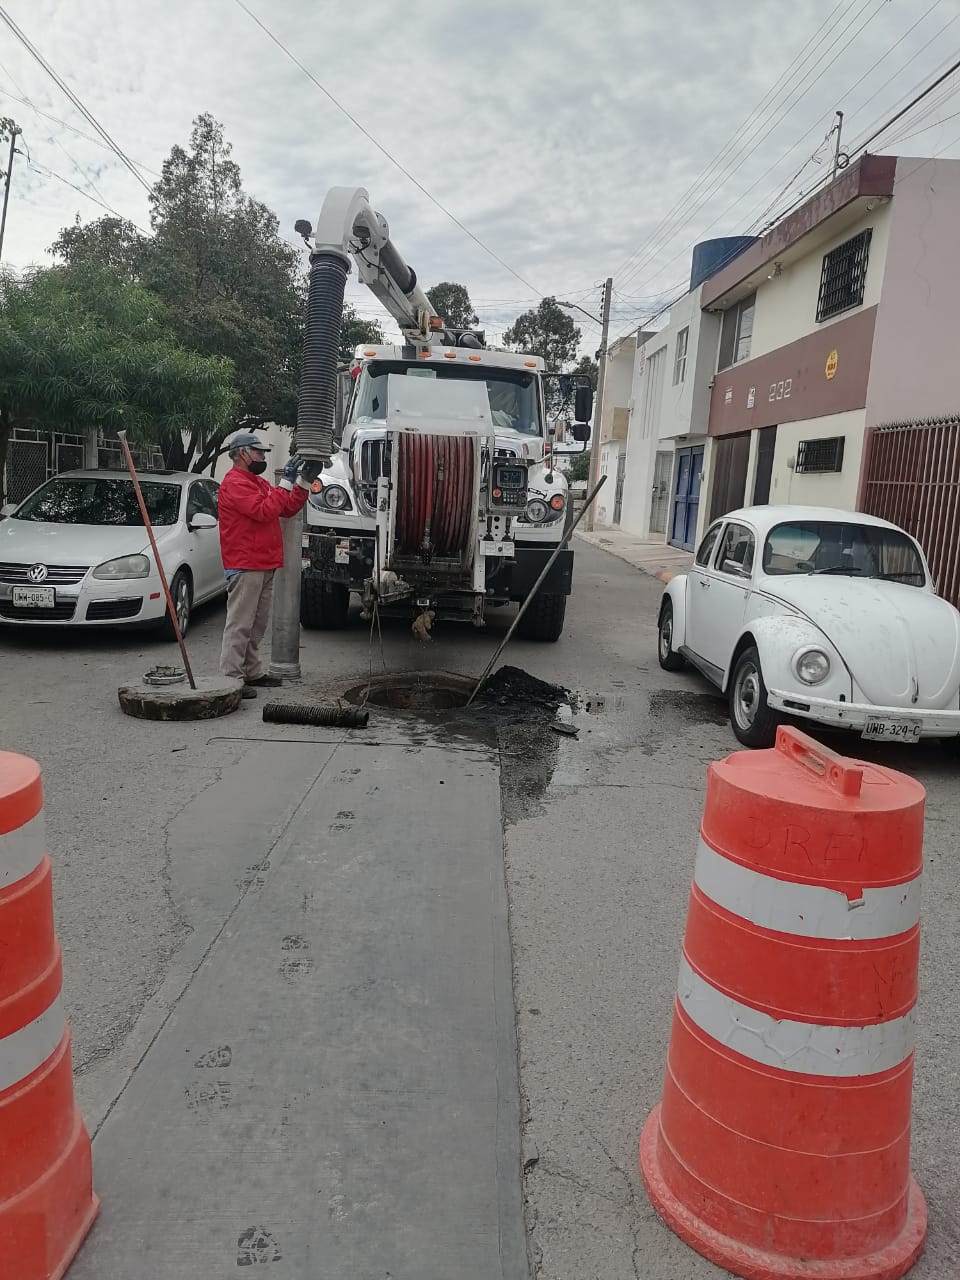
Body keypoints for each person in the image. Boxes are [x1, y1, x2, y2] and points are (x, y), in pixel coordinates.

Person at [217, 431, 311, 698]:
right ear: (243, 453)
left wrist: (303, 481)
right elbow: (264, 511)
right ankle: (231, 678)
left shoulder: (256, 483)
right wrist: (286, 482)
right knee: (240, 624)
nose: (263, 456)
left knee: (255, 624)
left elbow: (287, 507)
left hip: (263, 562)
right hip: (246, 563)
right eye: (259, 452)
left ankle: (251, 671)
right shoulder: (235, 484)